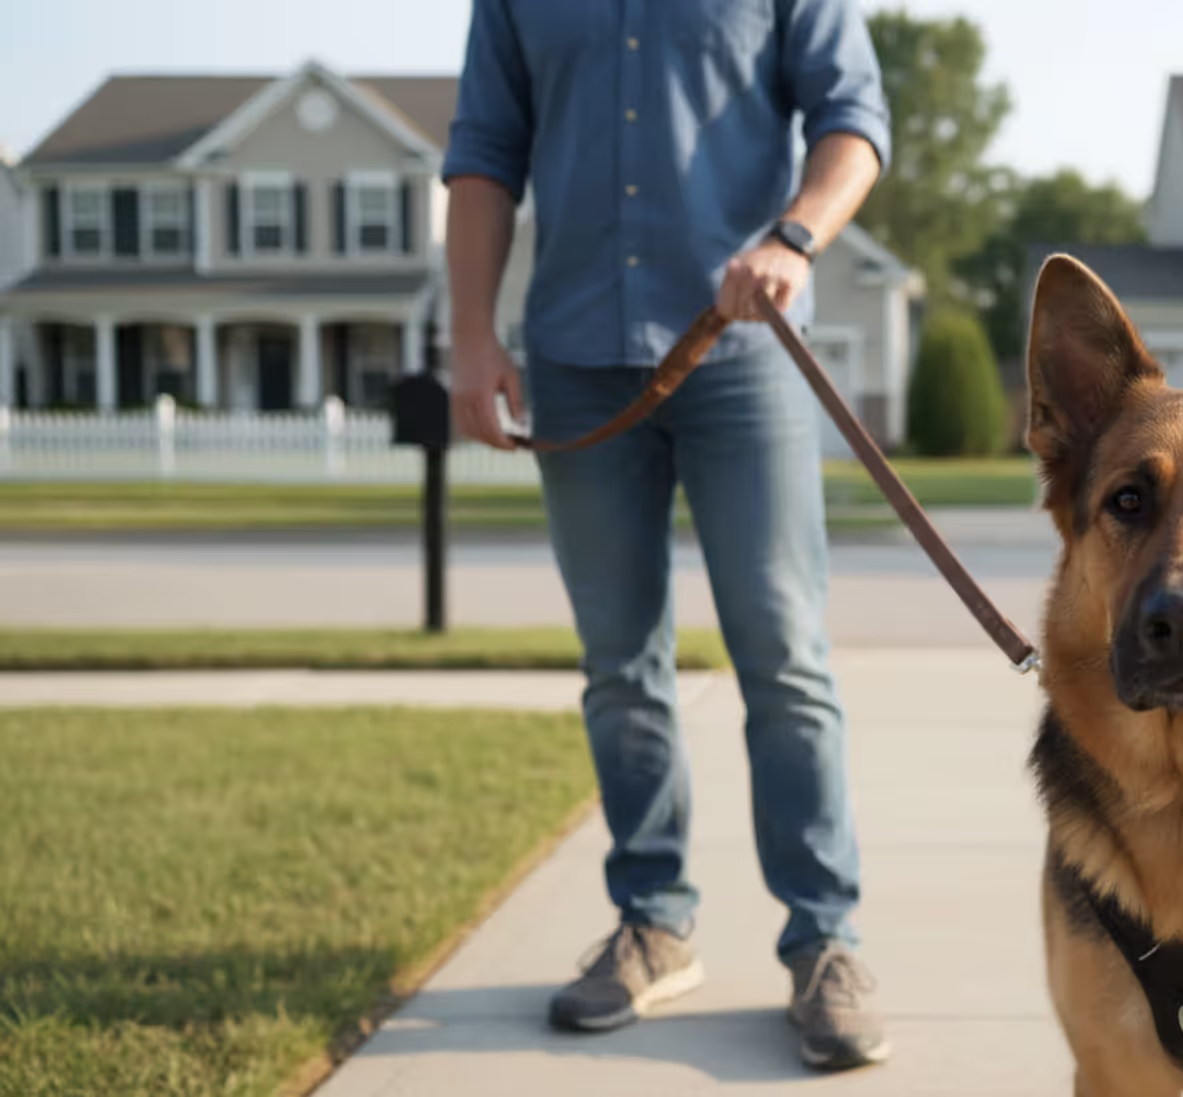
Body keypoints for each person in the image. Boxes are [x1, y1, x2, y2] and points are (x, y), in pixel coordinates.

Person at [440, 0, 891, 1072]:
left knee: (785, 657)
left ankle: (825, 938)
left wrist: (794, 237)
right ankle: (653, 921)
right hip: (575, 352)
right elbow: (484, 152)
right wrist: (469, 336)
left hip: (746, 349)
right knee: (620, 664)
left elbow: (854, 118)